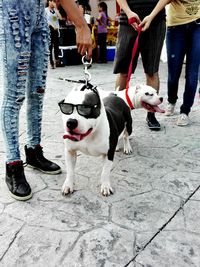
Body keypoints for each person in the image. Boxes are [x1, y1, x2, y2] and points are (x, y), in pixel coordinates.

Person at [0, 0, 92, 201]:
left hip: (38, 12)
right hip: (13, 8)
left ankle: (33, 151)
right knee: (14, 95)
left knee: (37, 91)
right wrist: (81, 23)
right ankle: (13, 164)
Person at [141, 0, 200, 126]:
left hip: (198, 26)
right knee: (173, 73)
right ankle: (172, 100)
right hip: (176, 27)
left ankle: (185, 111)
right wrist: (151, 17)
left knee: (193, 73)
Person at [113, 0, 166, 131]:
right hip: (128, 21)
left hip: (156, 21)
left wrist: (152, 15)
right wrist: (128, 11)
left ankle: (151, 114)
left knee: (151, 71)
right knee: (123, 71)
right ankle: (117, 112)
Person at [45, 0, 63, 69]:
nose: (53, 3)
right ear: (49, 2)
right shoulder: (46, 10)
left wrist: (56, 9)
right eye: (52, 2)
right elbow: (45, 20)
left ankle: (57, 60)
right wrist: (51, 25)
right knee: (50, 46)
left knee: (56, 45)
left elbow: (60, 18)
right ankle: (51, 62)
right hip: (49, 29)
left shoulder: (55, 10)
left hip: (56, 30)